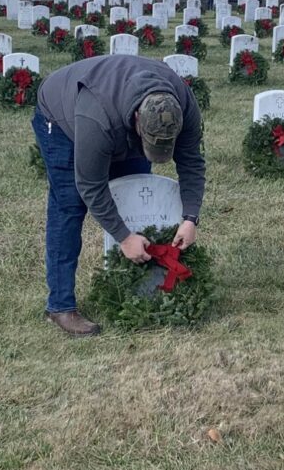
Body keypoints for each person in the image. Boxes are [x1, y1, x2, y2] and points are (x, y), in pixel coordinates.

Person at [33, 58, 205, 336]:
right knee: (69, 204)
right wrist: (123, 237)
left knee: (135, 196)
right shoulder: (96, 117)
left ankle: (133, 289)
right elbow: (90, 184)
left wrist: (190, 218)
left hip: (119, 117)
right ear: (138, 119)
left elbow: (192, 163)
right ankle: (60, 306)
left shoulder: (183, 105)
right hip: (61, 114)